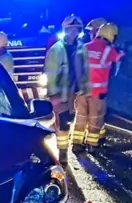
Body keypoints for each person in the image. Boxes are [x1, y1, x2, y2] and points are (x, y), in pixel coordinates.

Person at [44, 15, 90, 166]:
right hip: (62, 93)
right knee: (63, 123)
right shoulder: (57, 50)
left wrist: (85, 88)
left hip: (77, 93)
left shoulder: (81, 47)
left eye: (76, 30)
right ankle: (62, 151)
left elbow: (84, 69)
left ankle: (70, 145)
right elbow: (50, 73)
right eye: (70, 30)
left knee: (71, 120)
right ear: (65, 30)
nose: (73, 33)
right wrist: (53, 95)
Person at [72, 23, 124, 153]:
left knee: (80, 117)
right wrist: (120, 51)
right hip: (97, 93)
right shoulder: (108, 50)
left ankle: (77, 144)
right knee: (95, 118)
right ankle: (91, 145)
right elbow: (119, 57)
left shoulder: (84, 47)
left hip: (81, 91)